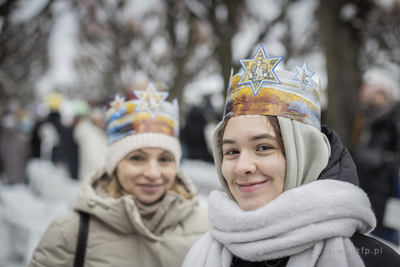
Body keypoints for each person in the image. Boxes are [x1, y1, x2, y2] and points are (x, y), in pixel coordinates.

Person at [182, 45, 400, 267]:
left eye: (264, 147)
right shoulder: (201, 254)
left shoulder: (375, 261)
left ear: (306, 154)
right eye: (231, 151)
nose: (242, 167)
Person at [29, 81, 211, 267]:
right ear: (115, 165)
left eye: (164, 159)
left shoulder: (208, 229)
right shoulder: (68, 234)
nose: (153, 173)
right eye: (137, 158)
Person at [351, 82, 400, 245]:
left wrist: (384, 160)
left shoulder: (393, 118)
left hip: (387, 182)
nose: (377, 101)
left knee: (386, 231)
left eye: (381, 96)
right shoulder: (365, 117)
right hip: (367, 178)